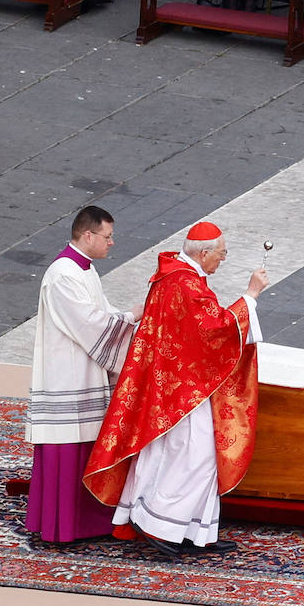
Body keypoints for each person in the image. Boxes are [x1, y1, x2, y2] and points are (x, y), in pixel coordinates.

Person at [84, 221, 269, 555]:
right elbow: (215, 330)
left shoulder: (175, 276)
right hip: (185, 390)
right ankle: (162, 526)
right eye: (221, 253)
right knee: (197, 457)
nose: (223, 259)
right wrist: (251, 295)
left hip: (171, 383)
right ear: (202, 252)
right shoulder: (186, 284)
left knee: (165, 452)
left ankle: (192, 532)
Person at [25, 206, 142, 544]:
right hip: (67, 376)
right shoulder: (63, 274)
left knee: (86, 447)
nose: (111, 243)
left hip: (84, 372)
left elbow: (99, 316)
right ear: (88, 235)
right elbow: (90, 325)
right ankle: (64, 527)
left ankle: (88, 521)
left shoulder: (84, 269)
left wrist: (125, 317)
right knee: (69, 449)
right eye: (107, 237)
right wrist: (130, 318)